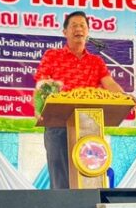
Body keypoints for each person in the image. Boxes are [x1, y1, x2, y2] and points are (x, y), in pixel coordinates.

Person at [34, 11, 125, 189]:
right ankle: (62, 207)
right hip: (58, 124)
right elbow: (41, 84)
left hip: (88, 125)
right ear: (65, 32)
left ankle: (89, 206)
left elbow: (110, 83)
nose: (79, 29)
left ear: (88, 32)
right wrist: (41, 102)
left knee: (89, 176)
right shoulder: (52, 56)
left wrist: (125, 97)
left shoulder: (96, 61)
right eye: (74, 25)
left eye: (82, 25)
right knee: (61, 180)